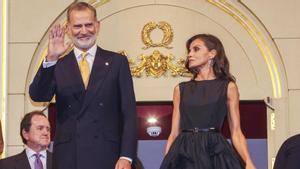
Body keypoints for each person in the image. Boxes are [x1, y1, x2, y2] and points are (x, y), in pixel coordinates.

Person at [29, 2, 137, 169]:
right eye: (78, 26)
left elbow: (129, 113)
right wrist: (51, 59)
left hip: (108, 155)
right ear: (69, 29)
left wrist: (126, 156)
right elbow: (38, 96)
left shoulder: (117, 62)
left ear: (97, 26)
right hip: (70, 156)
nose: (84, 31)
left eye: (89, 25)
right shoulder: (58, 64)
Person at [159, 34, 256, 169]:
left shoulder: (228, 87)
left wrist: (249, 162)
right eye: (189, 51)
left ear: (212, 54)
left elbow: (236, 132)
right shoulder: (180, 89)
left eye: (196, 49)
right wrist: (167, 161)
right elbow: (174, 133)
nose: (190, 54)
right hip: (184, 151)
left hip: (215, 151)